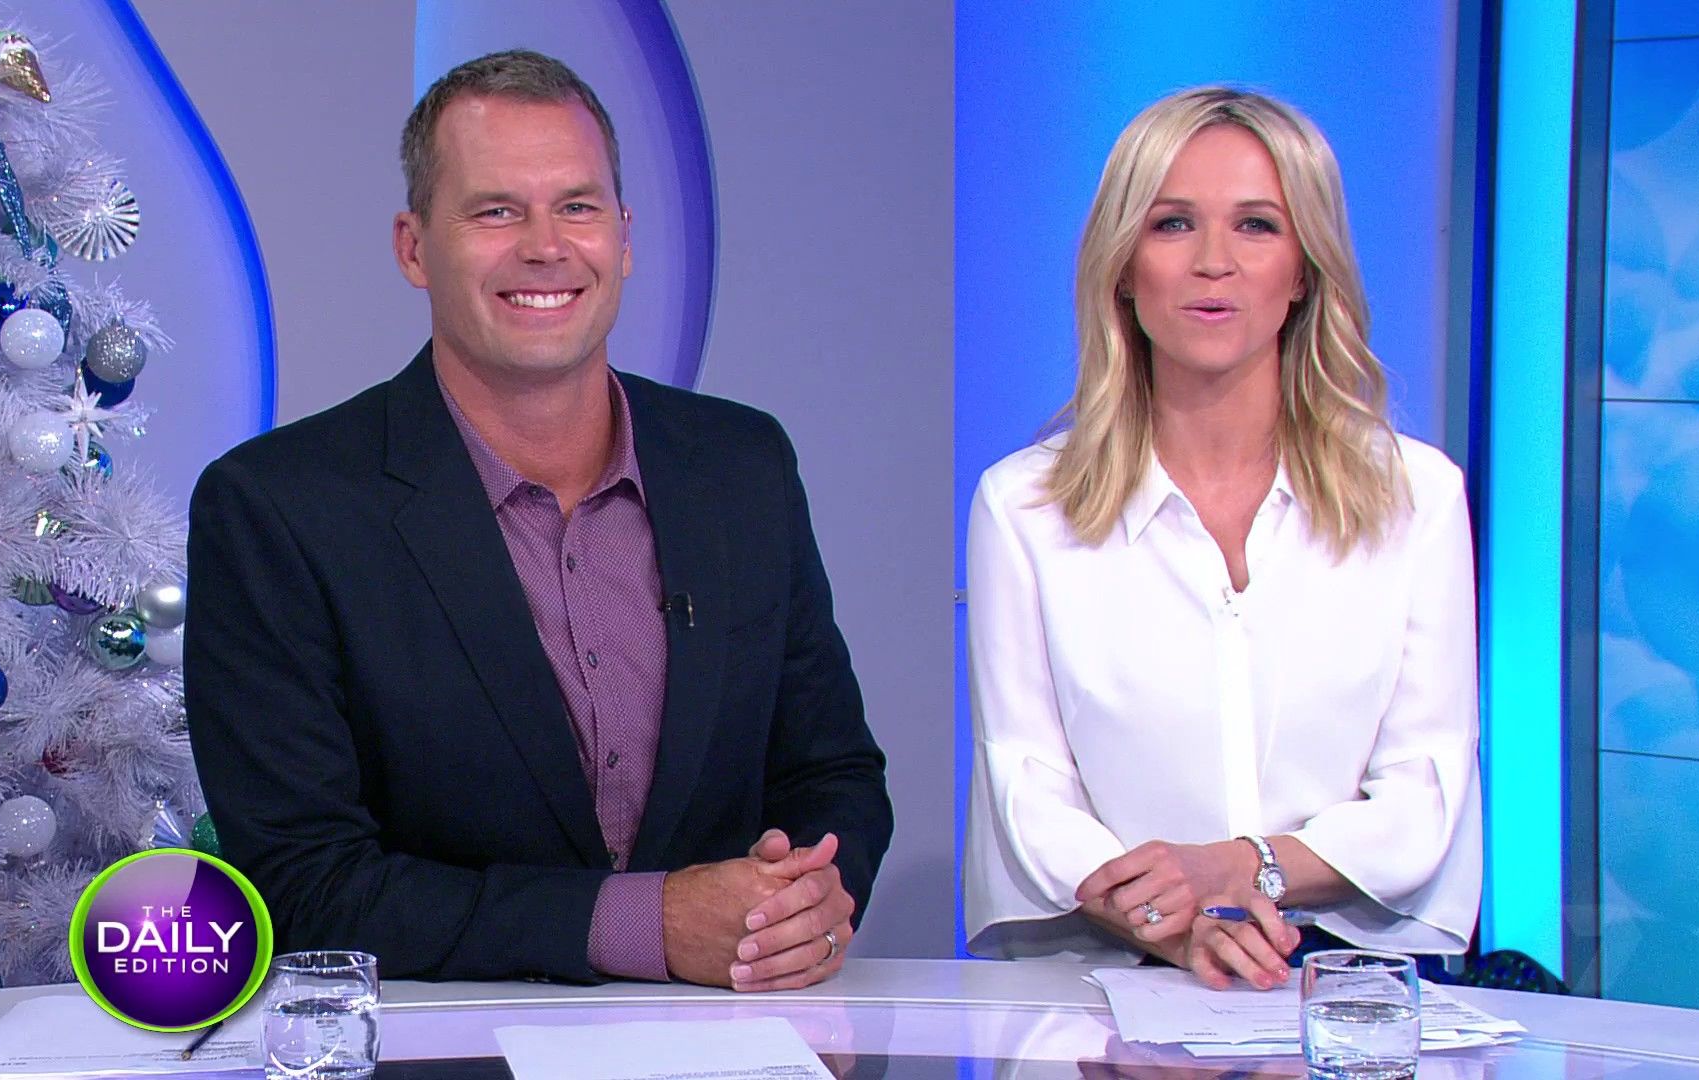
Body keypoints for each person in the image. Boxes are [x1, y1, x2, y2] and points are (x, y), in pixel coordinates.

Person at [185, 50, 891, 990]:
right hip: (445, 1045)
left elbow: (833, 773)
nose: (545, 246)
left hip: (737, 1035)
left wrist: (800, 903)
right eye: (495, 212)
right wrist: (646, 925)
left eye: (577, 206)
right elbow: (302, 881)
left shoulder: (742, 466)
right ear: (412, 247)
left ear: (624, 238)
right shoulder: (277, 507)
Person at [962, 86, 1480, 989]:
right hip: (1111, 983)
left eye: (1256, 226)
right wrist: (1175, 922)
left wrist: (1244, 869)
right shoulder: (1025, 507)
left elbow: (1424, 790)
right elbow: (1028, 789)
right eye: (1172, 225)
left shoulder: (1417, 496)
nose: (1214, 263)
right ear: (1124, 267)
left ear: (1305, 268)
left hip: (1356, 989)